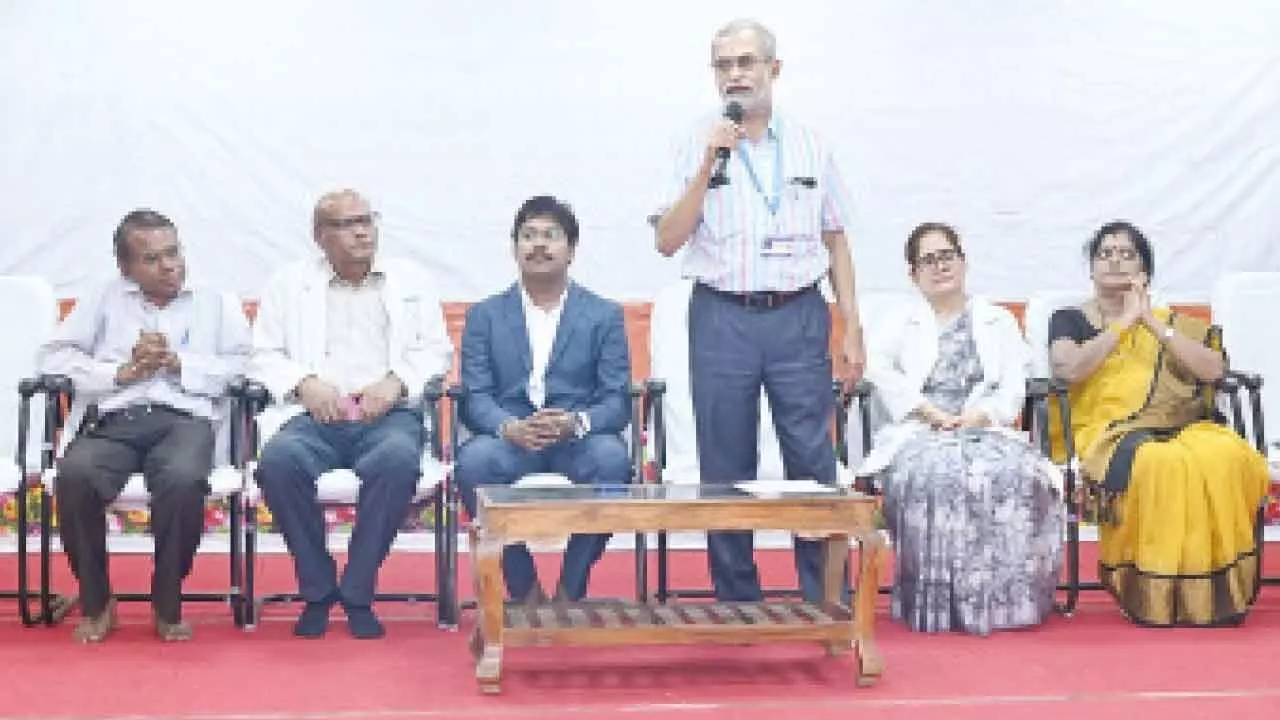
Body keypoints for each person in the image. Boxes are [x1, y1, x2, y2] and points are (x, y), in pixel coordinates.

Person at [651, 18, 864, 602]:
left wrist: (852, 326)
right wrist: (707, 166)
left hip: (798, 315)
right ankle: (737, 599)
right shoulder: (692, 142)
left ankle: (826, 597)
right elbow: (668, 240)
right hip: (721, 316)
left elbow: (837, 238)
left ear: (775, 69)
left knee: (811, 459)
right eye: (724, 65)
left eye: (747, 61)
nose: (736, 74)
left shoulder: (812, 145)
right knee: (724, 461)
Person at [38, 209, 251, 642]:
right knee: (75, 476)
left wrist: (179, 365)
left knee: (182, 478)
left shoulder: (215, 299)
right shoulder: (104, 297)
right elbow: (54, 358)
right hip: (116, 417)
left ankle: (167, 599)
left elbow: (243, 368)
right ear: (126, 267)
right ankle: (97, 602)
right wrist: (120, 373)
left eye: (173, 253)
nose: (168, 265)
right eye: (152, 258)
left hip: (185, 418)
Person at [249, 189, 453, 638]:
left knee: (398, 462)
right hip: (314, 417)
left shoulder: (410, 280)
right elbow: (263, 354)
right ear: (320, 236)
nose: (362, 231)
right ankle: (318, 588)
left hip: (388, 415)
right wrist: (305, 384)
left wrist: (396, 381)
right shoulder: (288, 283)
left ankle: (358, 589)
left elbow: (436, 349)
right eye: (347, 224)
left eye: (367, 220)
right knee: (278, 463)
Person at [1048, 220, 1270, 627]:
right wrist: (1122, 324)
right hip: (1110, 431)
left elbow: (1212, 371)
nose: (1115, 260)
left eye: (1127, 253)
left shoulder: (1170, 322)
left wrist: (1150, 321)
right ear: (1092, 268)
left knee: (1226, 455)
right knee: (1157, 464)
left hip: (1181, 424)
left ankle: (1212, 595)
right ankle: (1155, 593)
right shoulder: (1069, 319)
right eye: (1105, 253)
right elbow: (1070, 370)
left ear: (1144, 271)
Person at [859, 223, 1063, 634]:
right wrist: (926, 411)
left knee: (1015, 474)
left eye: (946, 256)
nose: (939, 267)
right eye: (928, 260)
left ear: (963, 261)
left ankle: (1006, 604)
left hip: (983, 428)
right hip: (921, 430)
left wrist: (982, 415)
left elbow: (1013, 381)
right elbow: (875, 368)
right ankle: (941, 604)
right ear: (913, 274)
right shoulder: (901, 320)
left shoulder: (996, 320)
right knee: (938, 475)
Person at [454, 195, 632, 604]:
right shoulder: (485, 315)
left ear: (571, 249)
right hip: (511, 436)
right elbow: (475, 395)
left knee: (612, 462)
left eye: (550, 236)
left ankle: (572, 585)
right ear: (514, 247)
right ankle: (524, 588)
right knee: (474, 463)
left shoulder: (604, 315)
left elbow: (615, 400)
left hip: (578, 437)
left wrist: (576, 423)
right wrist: (508, 427)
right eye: (528, 236)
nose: (538, 245)